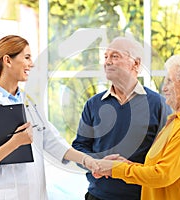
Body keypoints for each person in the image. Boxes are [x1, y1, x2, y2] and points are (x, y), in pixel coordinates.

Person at [0, 35, 99, 200]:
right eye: (27, 57)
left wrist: (89, 161)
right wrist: (15, 143)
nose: (32, 63)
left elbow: (52, 141)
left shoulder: (29, 102)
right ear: (8, 60)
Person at [94, 54, 180, 200]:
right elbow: (158, 168)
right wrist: (124, 164)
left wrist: (115, 169)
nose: (164, 88)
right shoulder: (176, 122)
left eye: (170, 81)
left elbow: (161, 175)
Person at [71, 36, 172, 200]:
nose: (107, 62)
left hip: (141, 196)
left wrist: (122, 168)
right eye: (106, 57)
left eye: (115, 56)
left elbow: (166, 159)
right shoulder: (93, 104)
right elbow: (79, 147)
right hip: (97, 196)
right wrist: (98, 163)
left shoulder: (159, 105)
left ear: (136, 64)